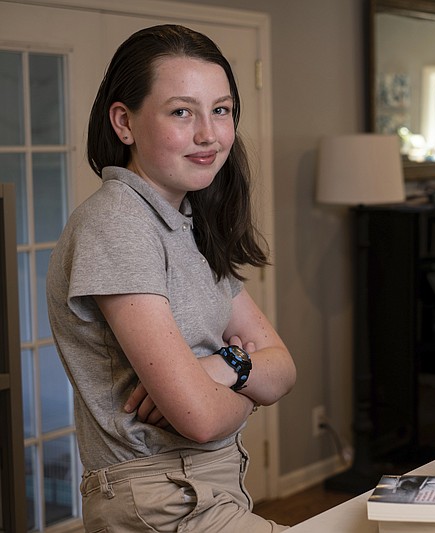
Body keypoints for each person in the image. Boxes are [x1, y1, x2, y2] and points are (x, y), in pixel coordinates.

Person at [46, 25, 296, 531]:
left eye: (220, 110)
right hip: (164, 500)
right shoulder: (117, 222)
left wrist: (223, 368)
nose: (209, 134)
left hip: (207, 489)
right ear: (124, 122)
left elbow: (284, 369)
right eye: (182, 111)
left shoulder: (186, 225)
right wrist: (246, 377)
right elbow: (201, 420)